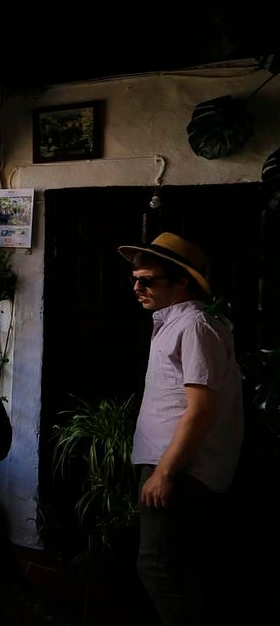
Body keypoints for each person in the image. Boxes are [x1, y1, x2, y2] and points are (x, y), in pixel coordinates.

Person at [118, 232, 242, 626]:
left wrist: (165, 472)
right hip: (174, 468)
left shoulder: (196, 325)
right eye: (135, 279)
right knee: (178, 569)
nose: (137, 287)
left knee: (158, 568)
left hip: (183, 471)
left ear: (183, 282)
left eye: (148, 280)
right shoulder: (175, 324)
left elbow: (202, 409)